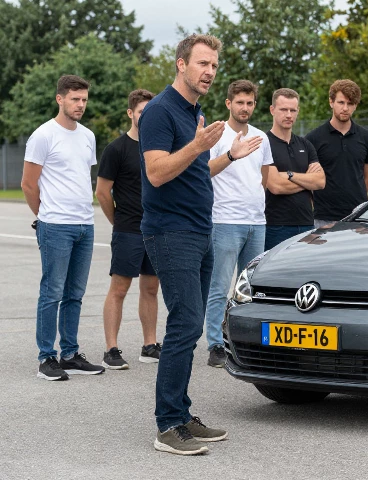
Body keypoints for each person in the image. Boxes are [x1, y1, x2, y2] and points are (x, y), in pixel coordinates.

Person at [138, 34, 257, 456]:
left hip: (198, 229)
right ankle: (168, 425)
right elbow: (156, 173)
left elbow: (192, 171)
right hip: (171, 232)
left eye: (213, 65)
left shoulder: (195, 111)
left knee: (188, 323)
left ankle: (182, 413)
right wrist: (198, 145)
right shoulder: (160, 111)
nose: (209, 71)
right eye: (202, 63)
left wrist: (229, 156)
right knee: (187, 324)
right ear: (180, 64)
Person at [22, 75, 105, 381]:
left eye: (84, 99)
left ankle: (69, 354)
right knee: (52, 292)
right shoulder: (44, 135)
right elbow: (28, 184)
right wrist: (44, 217)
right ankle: (47, 357)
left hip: (85, 224)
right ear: (60, 99)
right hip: (55, 225)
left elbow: (81, 178)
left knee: (75, 294)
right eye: (75, 99)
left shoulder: (87, 136)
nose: (80, 104)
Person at [204, 79, 269, 368]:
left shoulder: (260, 137)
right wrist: (230, 155)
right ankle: (216, 344)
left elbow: (263, 178)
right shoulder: (216, 135)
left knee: (251, 288)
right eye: (240, 102)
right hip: (225, 220)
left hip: (257, 221)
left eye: (250, 102)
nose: (245, 107)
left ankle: (246, 342)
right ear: (229, 103)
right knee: (219, 286)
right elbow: (204, 172)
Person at [95, 89, 162, 370]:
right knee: (119, 289)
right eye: (141, 112)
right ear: (130, 113)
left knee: (150, 288)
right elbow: (102, 192)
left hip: (155, 229)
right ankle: (111, 349)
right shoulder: (116, 149)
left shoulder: (158, 147)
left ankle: (149, 345)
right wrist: (118, 221)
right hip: (128, 230)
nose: (145, 117)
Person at [306, 79, 368, 227]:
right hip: (323, 218)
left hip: (358, 216)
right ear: (331, 102)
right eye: (341, 102)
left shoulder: (366, 138)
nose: (345, 108)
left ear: (355, 106)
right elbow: (309, 180)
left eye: (350, 104)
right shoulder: (314, 138)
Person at [264, 88, 325, 250]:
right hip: (275, 226)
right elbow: (276, 186)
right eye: (284, 110)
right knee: (275, 275)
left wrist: (289, 175)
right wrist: (307, 180)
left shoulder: (305, 144)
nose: (289, 115)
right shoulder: (264, 143)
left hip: (306, 225)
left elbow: (320, 181)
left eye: (293, 110)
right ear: (272, 110)